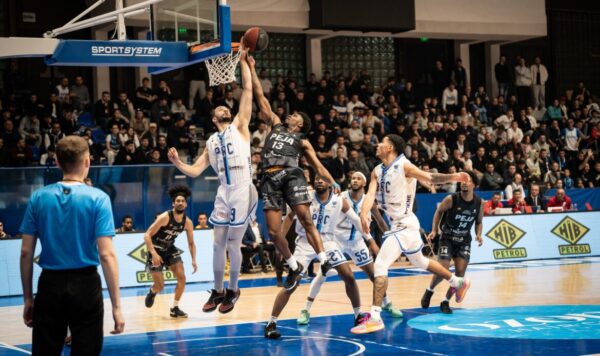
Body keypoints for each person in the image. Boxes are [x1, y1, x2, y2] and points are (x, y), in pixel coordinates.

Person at [351, 134, 471, 334]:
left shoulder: (404, 166)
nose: (377, 144)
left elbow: (430, 177)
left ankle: (375, 317)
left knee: (380, 264)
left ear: (390, 148)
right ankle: (458, 282)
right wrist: (364, 213)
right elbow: (370, 194)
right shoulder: (377, 170)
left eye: (382, 142)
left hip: (404, 225)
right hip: (403, 225)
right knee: (421, 262)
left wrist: (454, 177)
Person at [168, 48, 256, 314]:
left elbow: (248, 93)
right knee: (217, 242)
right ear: (213, 117)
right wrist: (177, 164)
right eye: (218, 108)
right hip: (224, 191)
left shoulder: (240, 126)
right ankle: (218, 291)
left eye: (225, 106)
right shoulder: (211, 142)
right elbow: (194, 171)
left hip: (243, 188)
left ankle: (234, 289)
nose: (223, 106)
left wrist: (244, 65)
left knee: (232, 243)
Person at [19, 136, 124, 355]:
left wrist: (28, 298)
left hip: (49, 285)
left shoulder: (38, 197)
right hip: (86, 285)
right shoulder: (99, 198)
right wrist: (116, 306)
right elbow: (107, 255)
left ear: (56, 161)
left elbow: (26, 252)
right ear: (87, 161)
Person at [249, 56, 339, 293]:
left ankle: (323, 258)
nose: (291, 115)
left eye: (296, 115)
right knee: (274, 233)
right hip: (268, 178)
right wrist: (251, 68)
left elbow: (318, 167)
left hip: (291, 175)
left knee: (305, 218)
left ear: (300, 124)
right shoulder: (276, 124)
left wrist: (333, 182)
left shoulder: (302, 140)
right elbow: (261, 98)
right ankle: (293, 266)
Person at [267, 175, 369, 339]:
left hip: (328, 242)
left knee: (349, 276)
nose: (319, 181)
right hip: (305, 244)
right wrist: (281, 243)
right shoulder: (304, 197)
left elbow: (356, 219)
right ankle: (271, 322)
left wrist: (369, 238)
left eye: (323, 179)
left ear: (330, 183)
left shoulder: (339, 199)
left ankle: (358, 316)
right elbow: (289, 218)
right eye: (317, 179)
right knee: (291, 284)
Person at [297, 172, 403, 326]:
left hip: (357, 241)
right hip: (337, 239)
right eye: (352, 178)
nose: (354, 180)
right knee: (322, 274)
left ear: (364, 183)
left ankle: (386, 302)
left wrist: (389, 238)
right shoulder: (340, 196)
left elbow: (379, 221)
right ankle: (306, 309)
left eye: (358, 178)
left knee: (375, 274)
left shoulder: (368, 200)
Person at [422, 171, 483, 314]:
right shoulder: (451, 199)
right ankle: (429, 290)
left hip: (464, 241)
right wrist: (434, 230)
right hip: (447, 238)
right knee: (442, 268)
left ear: (474, 185)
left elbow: (479, 222)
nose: (463, 183)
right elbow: (438, 212)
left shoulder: (479, 203)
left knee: (460, 273)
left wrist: (479, 234)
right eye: (461, 180)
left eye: (467, 180)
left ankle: (445, 301)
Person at [143, 186, 197, 318]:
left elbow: (191, 243)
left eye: (182, 201)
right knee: (160, 286)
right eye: (177, 201)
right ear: (173, 203)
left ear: (186, 204)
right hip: (155, 249)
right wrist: (154, 254)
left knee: (182, 278)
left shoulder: (187, 223)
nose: (180, 203)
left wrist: (194, 260)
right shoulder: (165, 217)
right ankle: (152, 291)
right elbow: (147, 235)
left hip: (169, 249)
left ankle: (175, 307)